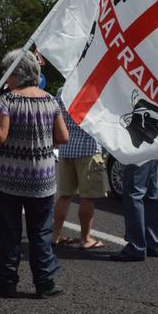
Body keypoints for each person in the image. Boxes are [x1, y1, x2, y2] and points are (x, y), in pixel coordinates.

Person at [0, 49, 69, 298]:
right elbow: (63, 137)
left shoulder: (9, 100)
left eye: (7, 72)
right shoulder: (49, 100)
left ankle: (7, 281)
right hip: (43, 177)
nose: (4, 76)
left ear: (17, 73)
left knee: (8, 232)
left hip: (11, 177)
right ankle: (45, 283)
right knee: (41, 232)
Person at [52, 91, 108, 249]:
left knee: (64, 196)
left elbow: (54, 115)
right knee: (87, 198)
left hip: (66, 148)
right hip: (88, 149)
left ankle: (56, 235)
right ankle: (85, 238)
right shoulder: (97, 90)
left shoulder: (63, 90)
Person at [109, 160, 158, 262]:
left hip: (139, 150)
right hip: (155, 150)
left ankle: (136, 247)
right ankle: (154, 243)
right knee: (152, 195)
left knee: (133, 194)